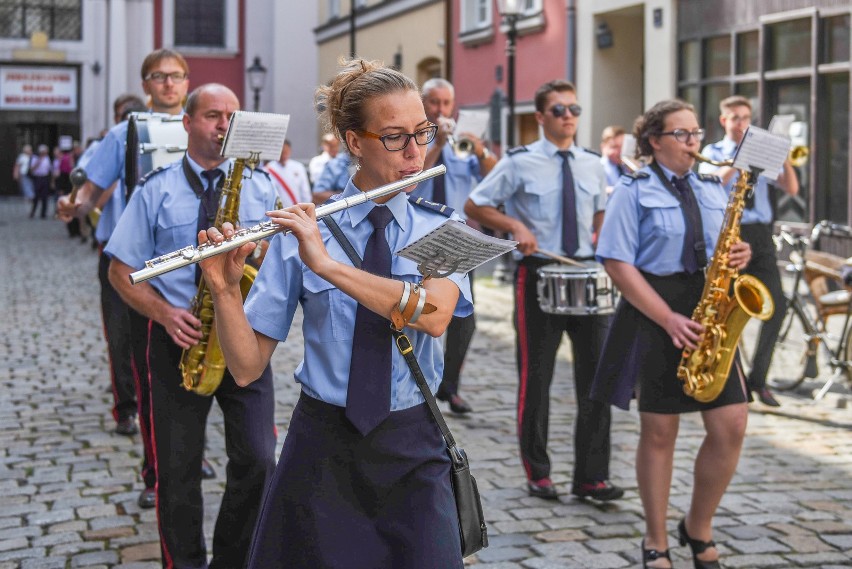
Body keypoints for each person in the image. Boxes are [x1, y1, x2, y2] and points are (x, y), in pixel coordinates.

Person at [198, 58, 473, 568]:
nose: (416, 153)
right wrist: (225, 290)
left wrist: (325, 265)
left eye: (423, 133)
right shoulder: (301, 232)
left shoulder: (444, 227)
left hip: (413, 444)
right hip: (322, 449)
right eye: (395, 138)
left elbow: (434, 315)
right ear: (353, 142)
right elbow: (245, 366)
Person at [106, 83, 278, 568]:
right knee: (177, 471)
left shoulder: (262, 186)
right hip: (180, 339)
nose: (223, 125)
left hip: (245, 341)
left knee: (260, 460)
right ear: (187, 122)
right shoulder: (155, 189)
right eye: (212, 116)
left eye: (230, 117)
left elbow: (283, 267)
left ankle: (231, 559)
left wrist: (263, 256)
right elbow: (119, 271)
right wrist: (164, 313)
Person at [592, 99, 752, 569]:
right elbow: (617, 261)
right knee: (660, 431)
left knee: (732, 423)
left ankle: (697, 526)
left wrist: (740, 252)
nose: (693, 143)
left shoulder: (709, 184)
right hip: (656, 310)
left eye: (696, 133)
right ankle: (656, 538)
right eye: (681, 134)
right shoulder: (631, 189)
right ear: (654, 141)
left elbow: (725, 243)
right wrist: (666, 318)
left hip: (711, 309)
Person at [57, 49, 206, 510]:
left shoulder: (201, 129)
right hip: (134, 265)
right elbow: (90, 190)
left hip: (193, 262)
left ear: (186, 82)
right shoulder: (125, 132)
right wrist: (73, 204)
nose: (168, 84)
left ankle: (188, 455)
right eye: (159, 77)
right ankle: (155, 470)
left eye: (176, 76)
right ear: (146, 85)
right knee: (144, 367)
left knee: (200, 359)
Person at [465, 79, 623, 502]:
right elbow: (475, 204)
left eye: (574, 109)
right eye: (558, 110)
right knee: (536, 379)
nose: (568, 116)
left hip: (586, 276)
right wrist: (515, 226)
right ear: (540, 117)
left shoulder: (593, 163)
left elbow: (602, 213)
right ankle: (539, 472)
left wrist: (605, 249)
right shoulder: (519, 162)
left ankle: (592, 477)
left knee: (597, 380)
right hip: (537, 276)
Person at [698, 95, 799, 408]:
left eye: (745, 117)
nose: (741, 123)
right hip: (730, 233)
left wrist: (783, 155)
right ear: (723, 120)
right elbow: (712, 185)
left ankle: (759, 379)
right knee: (728, 307)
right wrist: (741, 159)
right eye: (735, 118)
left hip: (760, 235)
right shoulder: (713, 153)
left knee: (777, 306)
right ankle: (732, 377)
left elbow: (791, 189)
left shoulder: (761, 150)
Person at [409, 77, 497, 414]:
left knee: (465, 321)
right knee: (418, 314)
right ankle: (418, 388)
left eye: (447, 104)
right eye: (435, 103)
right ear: (424, 103)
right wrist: (437, 143)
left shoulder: (463, 145)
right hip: (420, 238)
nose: (442, 110)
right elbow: (413, 178)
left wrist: (482, 150)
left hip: (457, 240)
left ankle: (449, 386)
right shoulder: (415, 140)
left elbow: (492, 177)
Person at [264, 139, 312, 207]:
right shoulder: (267, 169)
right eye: (281, 152)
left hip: (297, 209)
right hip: (277, 210)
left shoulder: (298, 167)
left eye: (286, 151)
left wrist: (306, 206)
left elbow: (305, 191)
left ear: (290, 150)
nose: (283, 155)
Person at [600, 125, 626, 191]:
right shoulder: (599, 167)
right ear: (603, 147)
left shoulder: (628, 167)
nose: (621, 151)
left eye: (623, 146)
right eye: (615, 147)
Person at [29, 144, 52, 219]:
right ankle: (33, 212)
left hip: (44, 177)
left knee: (45, 196)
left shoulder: (47, 158)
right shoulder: (35, 158)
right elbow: (32, 169)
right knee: (36, 196)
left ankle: (43, 213)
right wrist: (39, 161)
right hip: (38, 177)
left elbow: (49, 168)